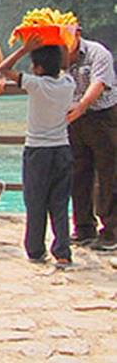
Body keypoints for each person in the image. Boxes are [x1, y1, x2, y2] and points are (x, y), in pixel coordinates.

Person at [0, 35, 76, 267]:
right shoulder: (68, 83)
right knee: (60, 203)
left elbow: (3, 69)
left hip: (37, 152)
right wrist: (63, 41)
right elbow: (66, 66)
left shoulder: (35, 84)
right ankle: (62, 251)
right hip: (62, 149)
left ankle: (35, 249)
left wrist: (24, 49)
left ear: (38, 67)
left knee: (35, 202)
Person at [64, 27, 117, 251]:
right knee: (78, 173)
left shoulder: (98, 53)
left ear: (77, 33)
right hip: (74, 120)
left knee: (109, 173)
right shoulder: (58, 55)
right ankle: (84, 227)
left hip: (102, 116)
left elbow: (99, 83)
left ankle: (112, 231)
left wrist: (82, 106)